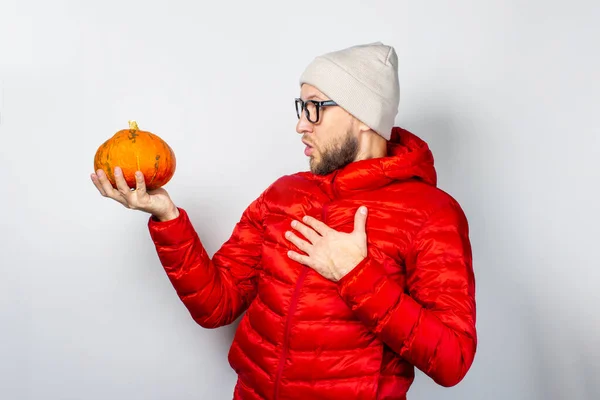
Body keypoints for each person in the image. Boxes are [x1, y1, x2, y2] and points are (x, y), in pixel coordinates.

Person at [91, 42, 477, 400]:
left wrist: (355, 274)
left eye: (315, 107)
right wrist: (167, 216)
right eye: (301, 107)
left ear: (362, 116)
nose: (301, 125)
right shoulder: (283, 195)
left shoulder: (431, 213)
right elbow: (215, 306)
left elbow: (451, 360)